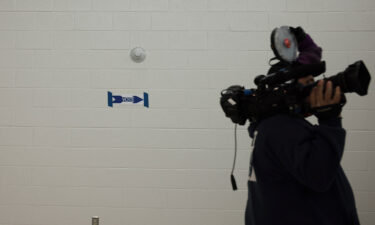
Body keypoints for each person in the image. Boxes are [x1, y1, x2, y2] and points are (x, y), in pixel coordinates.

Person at [245, 28, 360, 225]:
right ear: (288, 92)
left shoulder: (277, 125)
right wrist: (330, 121)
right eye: (307, 84)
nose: (314, 88)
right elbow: (319, 175)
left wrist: (303, 40)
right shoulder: (279, 127)